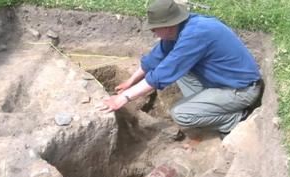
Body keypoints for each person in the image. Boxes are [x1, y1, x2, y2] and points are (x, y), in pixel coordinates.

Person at [100, 0, 261, 136]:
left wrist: (124, 98)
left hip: (241, 90)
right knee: (179, 70)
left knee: (181, 114)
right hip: (222, 81)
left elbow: (163, 74)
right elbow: (157, 57)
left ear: (168, 25)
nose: (153, 32)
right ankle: (208, 107)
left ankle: (235, 119)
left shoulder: (195, 34)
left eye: (155, 28)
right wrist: (130, 81)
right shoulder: (180, 27)